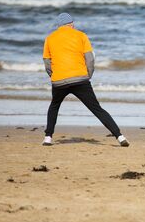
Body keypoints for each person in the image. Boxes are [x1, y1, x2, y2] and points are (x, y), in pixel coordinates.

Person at [42, 13, 129, 147]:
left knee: (54, 106)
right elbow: (90, 58)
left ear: (59, 26)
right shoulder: (81, 35)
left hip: (58, 81)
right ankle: (120, 136)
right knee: (97, 109)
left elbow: (47, 62)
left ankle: (48, 138)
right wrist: (88, 75)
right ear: (71, 24)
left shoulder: (49, 38)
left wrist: (54, 76)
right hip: (80, 80)